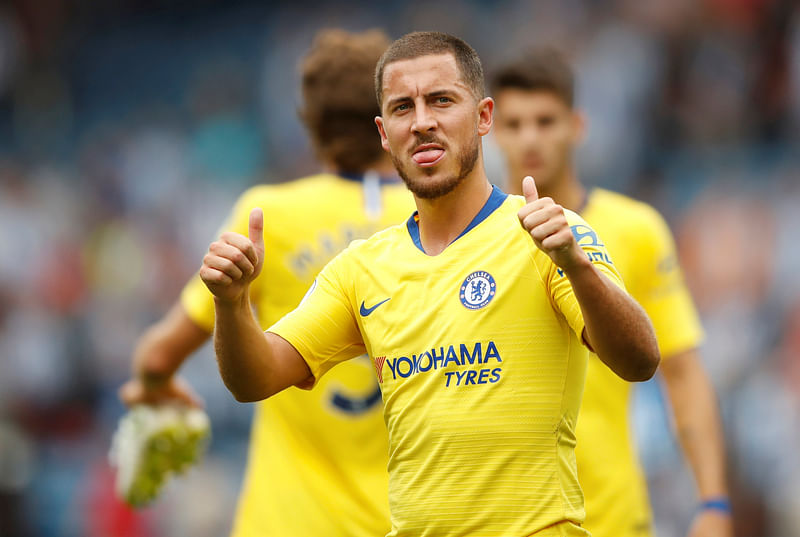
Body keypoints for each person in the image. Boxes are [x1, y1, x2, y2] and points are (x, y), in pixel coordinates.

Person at [200, 31, 660, 537]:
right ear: (382, 132)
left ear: (484, 117)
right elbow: (255, 378)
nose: (422, 122)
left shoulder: (547, 234)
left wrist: (576, 266)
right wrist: (232, 302)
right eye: (402, 108)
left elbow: (640, 359)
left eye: (441, 100)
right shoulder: (361, 269)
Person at [119, 29, 416, 537]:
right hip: (417, 520)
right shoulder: (441, 217)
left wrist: (155, 387)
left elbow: (157, 355)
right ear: (391, 118)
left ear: (311, 123)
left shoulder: (267, 215)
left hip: (291, 522)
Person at [490, 49, 731, 537]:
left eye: (545, 121)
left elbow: (682, 372)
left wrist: (714, 501)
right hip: (502, 519)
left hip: (612, 517)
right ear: (491, 130)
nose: (530, 138)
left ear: (577, 125)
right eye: (514, 124)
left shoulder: (635, 230)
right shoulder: (472, 238)